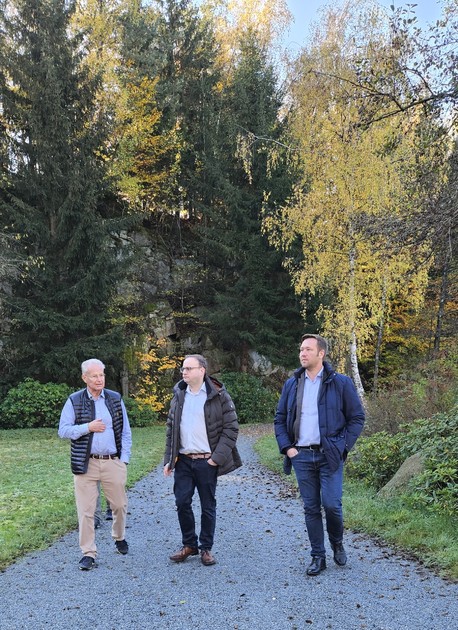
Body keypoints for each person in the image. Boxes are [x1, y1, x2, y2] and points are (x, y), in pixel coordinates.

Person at [274, 334, 365, 576]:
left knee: (332, 505)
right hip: (301, 456)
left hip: (330, 455)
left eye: (307, 350)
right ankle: (318, 556)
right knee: (311, 508)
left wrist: (342, 446)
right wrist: (288, 448)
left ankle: (337, 541)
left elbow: (357, 418)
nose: (302, 354)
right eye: (301, 349)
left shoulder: (340, 383)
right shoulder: (292, 384)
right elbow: (280, 419)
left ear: (321, 353)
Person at [164, 354, 242, 566]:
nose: (184, 372)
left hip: (207, 461)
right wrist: (168, 459)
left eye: (189, 368)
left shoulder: (218, 395)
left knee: (208, 505)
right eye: (183, 369)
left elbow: (231, 428)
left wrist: (216, 459)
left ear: (202, 370)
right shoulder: (179, 395)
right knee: (182, 502)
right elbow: (171, 428)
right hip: (183, 461)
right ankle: (189, 544)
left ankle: (206, 548)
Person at [58, 358, 132, 570]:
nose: (99, 379)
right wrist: (87, 427)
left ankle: (119, 537)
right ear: (85, 378)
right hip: (85, 463)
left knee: (119, 505)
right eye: (94, 376)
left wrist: (123, 459)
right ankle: (88, 553)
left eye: (101, 375)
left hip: (112, 461)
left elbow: (126, 432)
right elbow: (63, 430)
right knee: (86, 511)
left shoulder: (115, 399)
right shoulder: (74, 400)